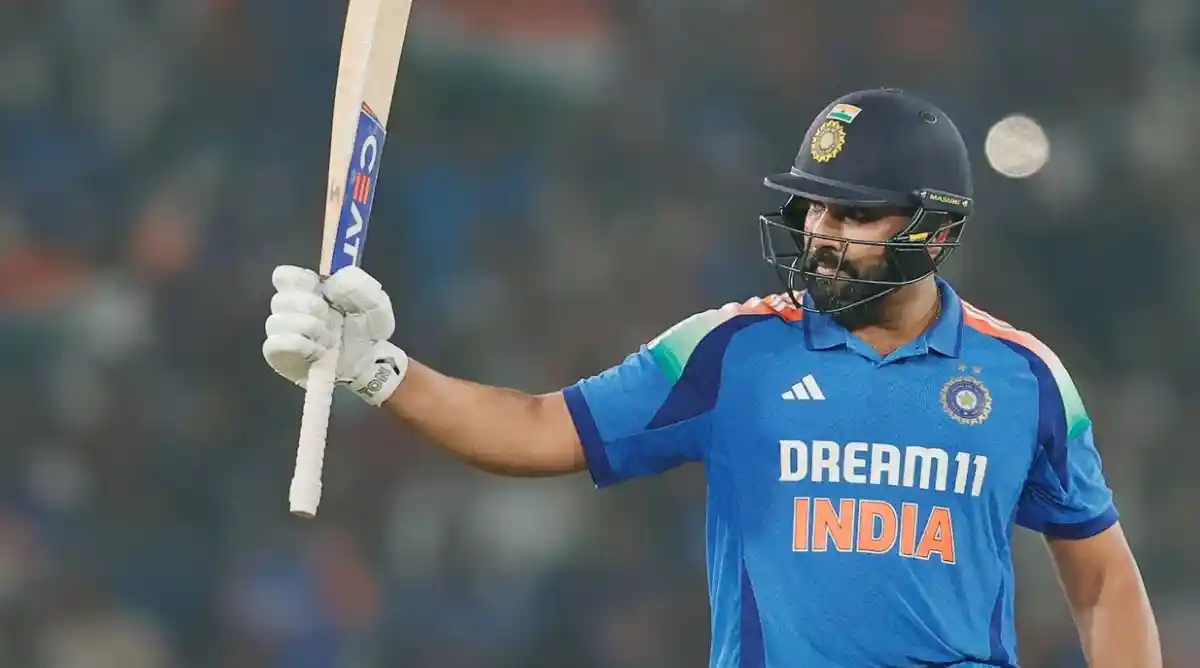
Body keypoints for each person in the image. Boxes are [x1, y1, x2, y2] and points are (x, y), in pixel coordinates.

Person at [262, 88, 1162, 667]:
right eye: (814, 208)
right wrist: (380, 370)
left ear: (935, 230)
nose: (821, 235)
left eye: (854, 216)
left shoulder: (1025, 378)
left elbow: (1104, 582)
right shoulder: (732, 350)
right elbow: (538, 428)